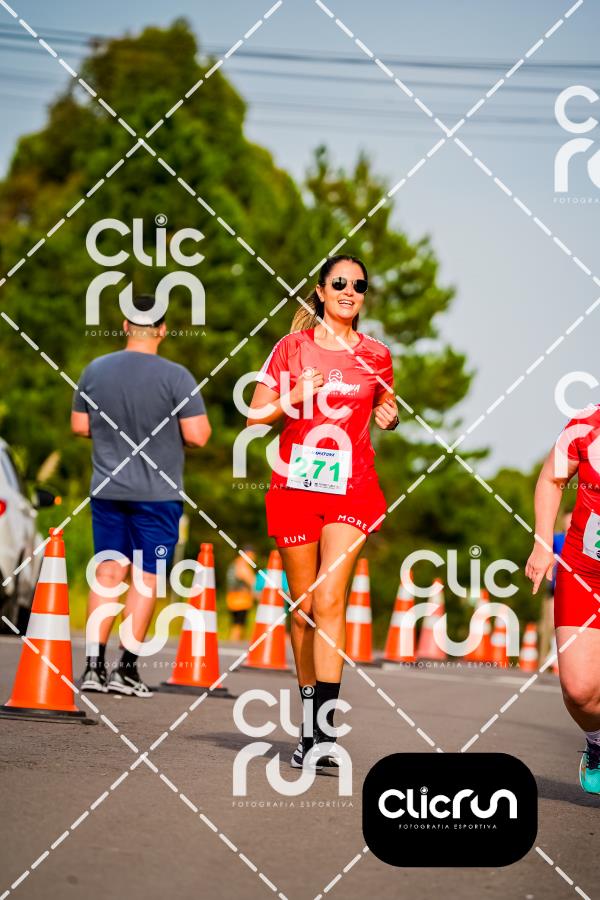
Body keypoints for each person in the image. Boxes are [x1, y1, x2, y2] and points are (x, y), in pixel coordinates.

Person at [247, 255, 398, 768]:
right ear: (320, 290)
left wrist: (390, 417)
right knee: (304, 609)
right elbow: (254, 416)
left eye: (359, 284)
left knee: (331, 598)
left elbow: (382, 408)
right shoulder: (291, 348)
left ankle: (324, 733)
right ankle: (308, 720)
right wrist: (294, 394)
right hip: (295, 488)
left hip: (352, 489)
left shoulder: (377, 355)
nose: (349, 291)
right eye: (339, 283)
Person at [72, 294, 211, 696]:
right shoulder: (177, 377)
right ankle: (126, 670)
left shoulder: (95, 370)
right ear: (163, 330)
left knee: (107, 572)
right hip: (157, 494)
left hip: (108, 489)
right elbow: (198, 435)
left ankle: (93, 668)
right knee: (146, 576)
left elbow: (79, 426)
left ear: (125, 326)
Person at [526, 410, 600, 793]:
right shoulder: (586, 426)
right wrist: (543, 544)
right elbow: (552, 479)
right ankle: (597, 744)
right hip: (583, 571)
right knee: (579, 689)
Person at [226, 547, 257, 641]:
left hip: (232, 598)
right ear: (248, 553)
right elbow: (253, 582)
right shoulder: (242, 565)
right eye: (252, 555)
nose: (253, 558)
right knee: (239, 625)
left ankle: (234, 643)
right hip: (241, 600)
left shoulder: (234, 563)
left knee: (236, 624)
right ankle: (234, 644)